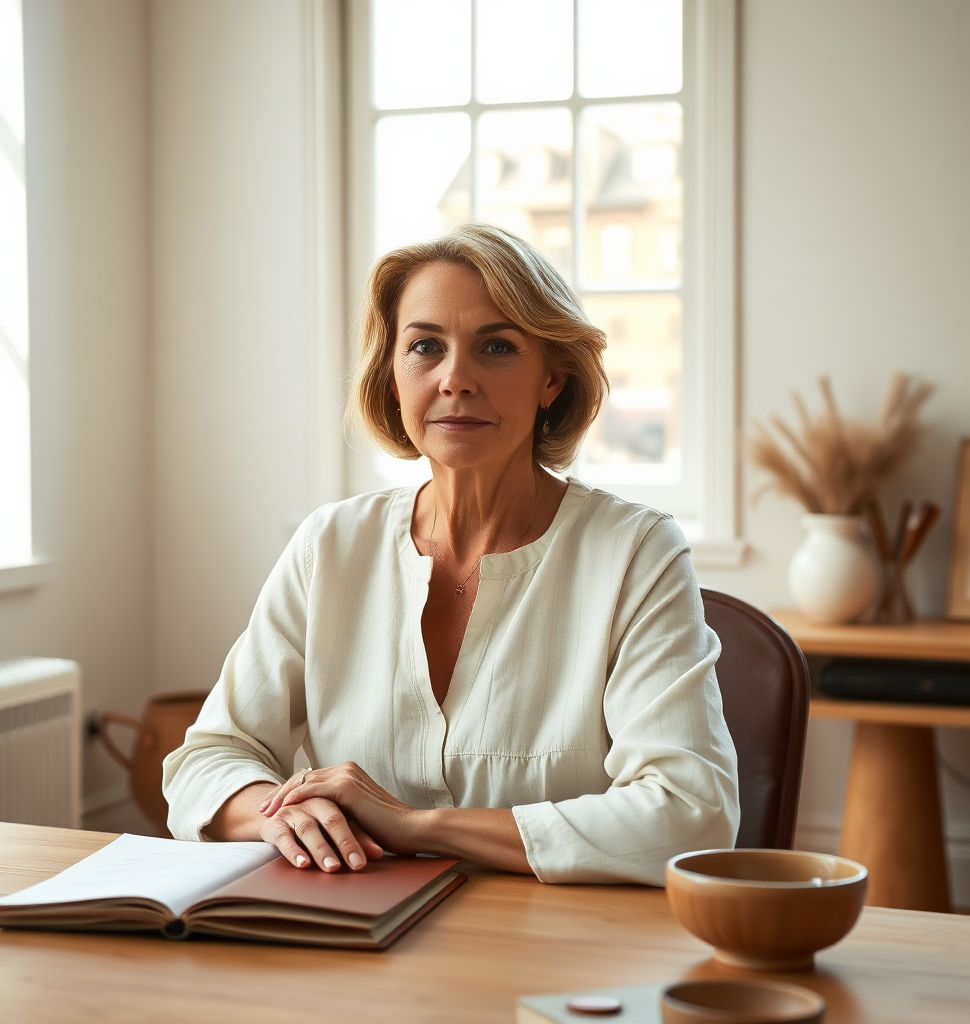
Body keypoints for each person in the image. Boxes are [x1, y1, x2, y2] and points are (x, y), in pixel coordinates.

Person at [163, 223, 739, 885]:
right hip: (349, 946)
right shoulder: (331, 546)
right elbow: (206, 759)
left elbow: (693, 813)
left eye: (495, 346)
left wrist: (413, 826)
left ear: (551, 380)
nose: (455, 378)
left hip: (556, 956)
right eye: (425, 347)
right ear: (393, 378)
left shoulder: (636, 551)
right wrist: (271, 815)